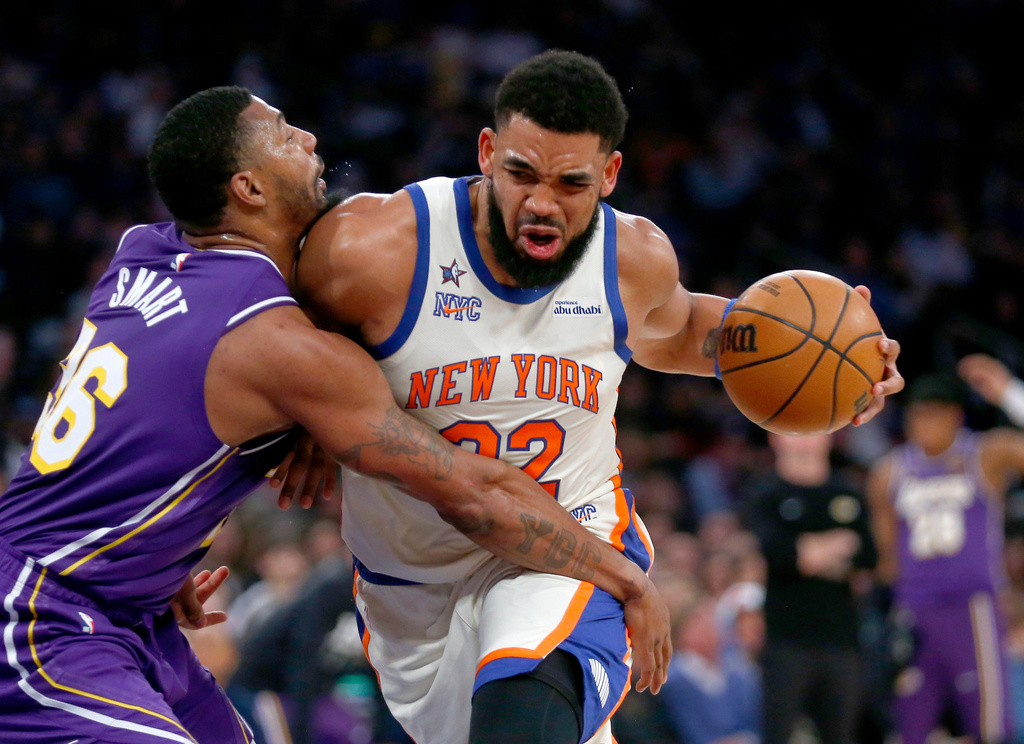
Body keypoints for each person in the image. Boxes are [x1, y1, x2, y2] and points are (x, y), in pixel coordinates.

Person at [0, 86, 674, 743]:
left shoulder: (142, 251)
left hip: (126, 606)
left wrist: (149, 559)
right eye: (285, 135)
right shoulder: (277, 348)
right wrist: (625, 578)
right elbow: (475, 495)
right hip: (44, 615)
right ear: (250, 190)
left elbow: (143, 417)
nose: (310, 140)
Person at [296, 49, 904, 744]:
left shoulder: (631, 261)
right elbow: (267, 343)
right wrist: (297, 423)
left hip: (576, 546)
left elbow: (691, 332)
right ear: (487, 152)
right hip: (412, 585)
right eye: (521, 173)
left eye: (571, 182)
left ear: (610, 176)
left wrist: (847, 364)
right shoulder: (375, 250)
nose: (542, 204)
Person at [867, 373, 1024, 744]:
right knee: (909, 726)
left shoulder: (986, 454)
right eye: (918, 415)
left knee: (989, 725)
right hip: (915, 609)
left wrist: (1008, 393)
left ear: (955, 416)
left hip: (972, 605)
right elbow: (887, 559)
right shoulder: (889, 472)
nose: (925, 424)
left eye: (934, 414)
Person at [741, 433, 877, 744]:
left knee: (842, 734)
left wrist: (809, 552)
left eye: (813, 429)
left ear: (829, 436)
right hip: (784, 638)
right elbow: (782, 555)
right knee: (778, 733)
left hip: (841, 638)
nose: (804, 440)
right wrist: (838, 546)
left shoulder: (847, 492)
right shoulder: (766, 492)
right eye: (794, 430)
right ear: (774, 437)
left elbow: (868, 559)